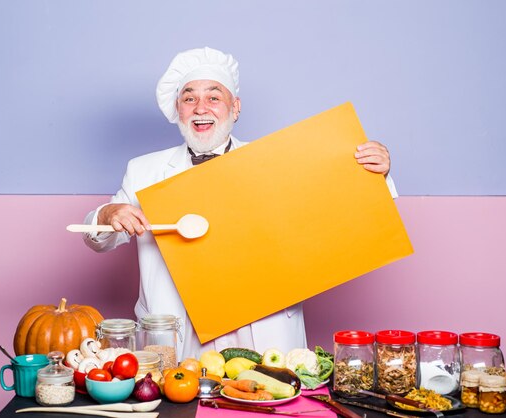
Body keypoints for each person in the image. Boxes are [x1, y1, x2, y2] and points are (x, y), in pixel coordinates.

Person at [82, 47, 397, 360]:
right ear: (178, 109)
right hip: (180, 335)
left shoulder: (276, 162)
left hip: (265, 329)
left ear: (235, 107)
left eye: (214, 97)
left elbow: (336, 208)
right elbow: (99, 238)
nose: (201, 107)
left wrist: (374, 172)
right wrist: (108, 214)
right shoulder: (144, 170)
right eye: (189, 98)